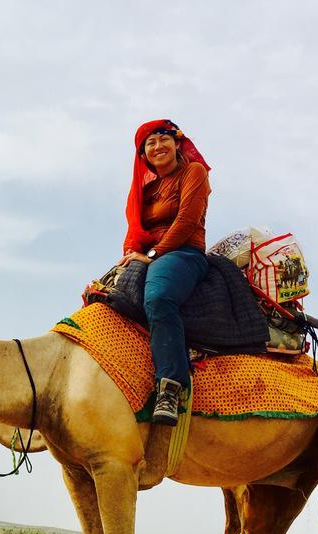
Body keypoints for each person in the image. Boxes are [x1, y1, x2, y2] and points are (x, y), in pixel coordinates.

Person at [119, 118, 212, 426]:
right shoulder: (146, 191)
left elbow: (186, 221)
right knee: (101, 298)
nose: (158, 146)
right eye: (150, 143)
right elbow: (138, 231)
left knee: (158, 298)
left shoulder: (193, 173)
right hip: (149, 256)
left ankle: (170, 387)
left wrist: (155, 255)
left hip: (184, 252)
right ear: (143, 155)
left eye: (163, 139)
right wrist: (133, 257)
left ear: (176, 143)